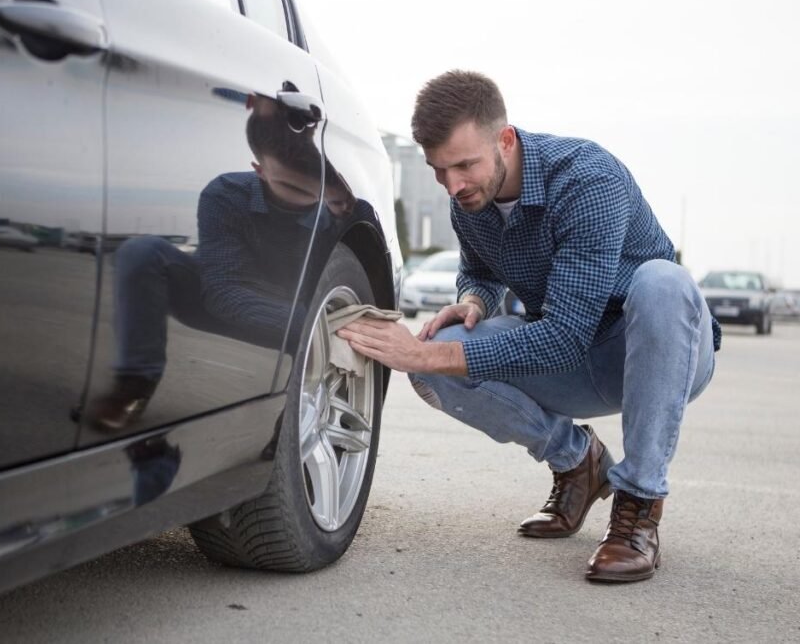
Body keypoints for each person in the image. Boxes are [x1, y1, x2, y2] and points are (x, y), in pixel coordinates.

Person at [337, 70, 719, 583]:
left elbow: (563, 337)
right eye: (438, 170)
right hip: (580, 362)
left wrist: (419, 352)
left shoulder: (587, 179)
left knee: (662, 283)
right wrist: (473, 299)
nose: (453, 185)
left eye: (465, 165)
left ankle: (638, 507)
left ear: (506, 140)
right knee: (438, 361)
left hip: (662, 352)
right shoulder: (467, 200)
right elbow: (479, 269)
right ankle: (579, 462)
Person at [91, 93, 370, 432]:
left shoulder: (343, 210)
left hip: (298, 314)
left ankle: (296, 423)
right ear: (260, 171)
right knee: (142, 252)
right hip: (223, 296)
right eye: (288, 185)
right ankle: (133, 387)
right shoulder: (225, 194)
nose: (303, 199)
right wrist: (322, 331)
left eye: (312, 190)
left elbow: (357, 306)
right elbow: (223, 295)